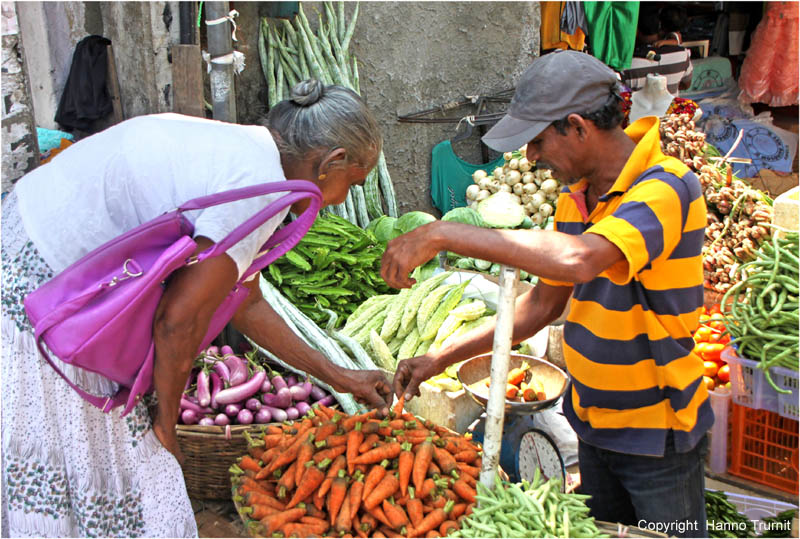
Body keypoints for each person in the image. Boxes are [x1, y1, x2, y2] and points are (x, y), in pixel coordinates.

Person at [1, 79, 392, 537]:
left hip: (26, 236)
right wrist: (165, 424)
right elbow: (177, 322)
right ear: (331, 163)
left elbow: (245, 300)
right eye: (353, 183)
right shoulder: (258, 190)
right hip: (46, 286)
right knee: (116, 464)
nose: (343, 199)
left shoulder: (248, 152)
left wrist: (339, 376)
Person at [383, 51, 712, 537]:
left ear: (577, 127)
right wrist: (440, 357)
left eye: (538, 140)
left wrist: (444, 233)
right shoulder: (576, 199)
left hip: (657, 434)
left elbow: (580, 259)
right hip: (594, 424)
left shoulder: (666, 188)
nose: (531, 156)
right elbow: (541, 305)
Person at [621, 7, 694, 94]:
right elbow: (686, 85)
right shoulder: (682, 55)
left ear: (636, 30)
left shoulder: (626, 63)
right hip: (670, 103)